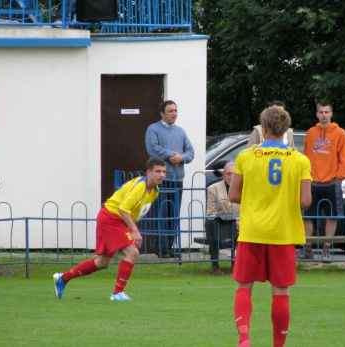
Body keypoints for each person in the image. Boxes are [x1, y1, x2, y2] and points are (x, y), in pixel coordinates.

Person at [229, 106, 312, 347]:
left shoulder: (246, 156)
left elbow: (233, 194)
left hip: (252, 230)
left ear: (263, 129)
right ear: (286, 129)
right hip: (283, 233)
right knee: (281, 292)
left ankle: (244, 338)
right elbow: (305, 201)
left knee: (244, 286)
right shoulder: (300, 160)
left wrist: (256, 196)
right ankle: (278, 344)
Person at [52, 157, 166, 301]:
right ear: (148, 172)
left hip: (113, 218)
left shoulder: (155, 190)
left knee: (102, 262)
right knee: (133, 252)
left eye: (163, 171)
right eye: (158, 171)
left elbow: (133, 210)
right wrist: (134, 230)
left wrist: (130, 227)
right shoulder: (140, 187)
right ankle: (117, 293)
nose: (161, 175)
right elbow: (123, 208)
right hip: (111, 218)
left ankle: (63, 278)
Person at [300, 102, 345, 261]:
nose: (323, 115)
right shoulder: (311, 133)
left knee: (331, 217)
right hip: (313, 181)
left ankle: (327, 249)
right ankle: (307, 249)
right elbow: (305, 156)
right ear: (317, 114)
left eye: (326, 112)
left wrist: (339, 178)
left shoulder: (340, 133)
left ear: (331, 113)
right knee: (307, 217)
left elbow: (344, 157)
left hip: (331, 182)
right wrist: (305, 178)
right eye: (321, 112)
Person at [145, 100, 195, 258]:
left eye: (175, 110)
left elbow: (191, 152)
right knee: (162, 214)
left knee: (174, 215)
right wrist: (172, 156)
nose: (174, 113)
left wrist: (181, 157)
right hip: (162, 179)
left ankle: (170, 246)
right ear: (162, 113)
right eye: (170, 111)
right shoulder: (153, 129)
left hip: (177, 179)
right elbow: (153, 148)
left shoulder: (180, 131)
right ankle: (162, 249)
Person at [205, 162, 240, 275]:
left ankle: (238, 264)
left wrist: (238, 221)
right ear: (223, 175)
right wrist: (225, 220)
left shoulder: (246, 188)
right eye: (229, 174)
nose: (231, 177)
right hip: (221, 223)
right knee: (210, 224)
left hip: (241, 222)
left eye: (234, 174)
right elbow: (211, 212)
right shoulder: (213, 188)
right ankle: (215, 265)